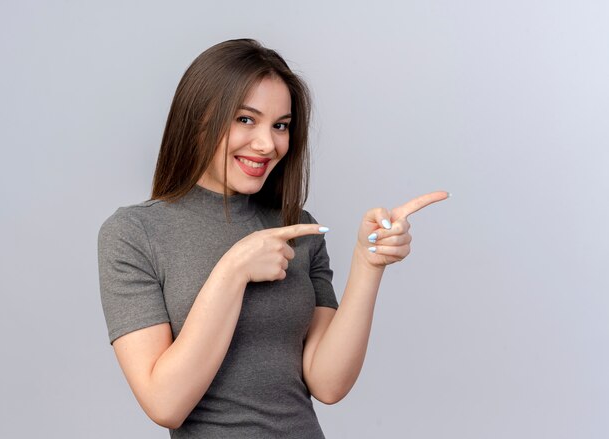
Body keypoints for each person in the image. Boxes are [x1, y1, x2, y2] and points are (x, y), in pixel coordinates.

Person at [97, 38, 449, 438]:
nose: (268, 144)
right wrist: (233, 270)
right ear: (196, 118)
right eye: (245, 119)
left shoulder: (298, 227)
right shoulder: (133, 234)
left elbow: (328, 384)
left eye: (280, 125)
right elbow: (166, 403)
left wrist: (368, 263)